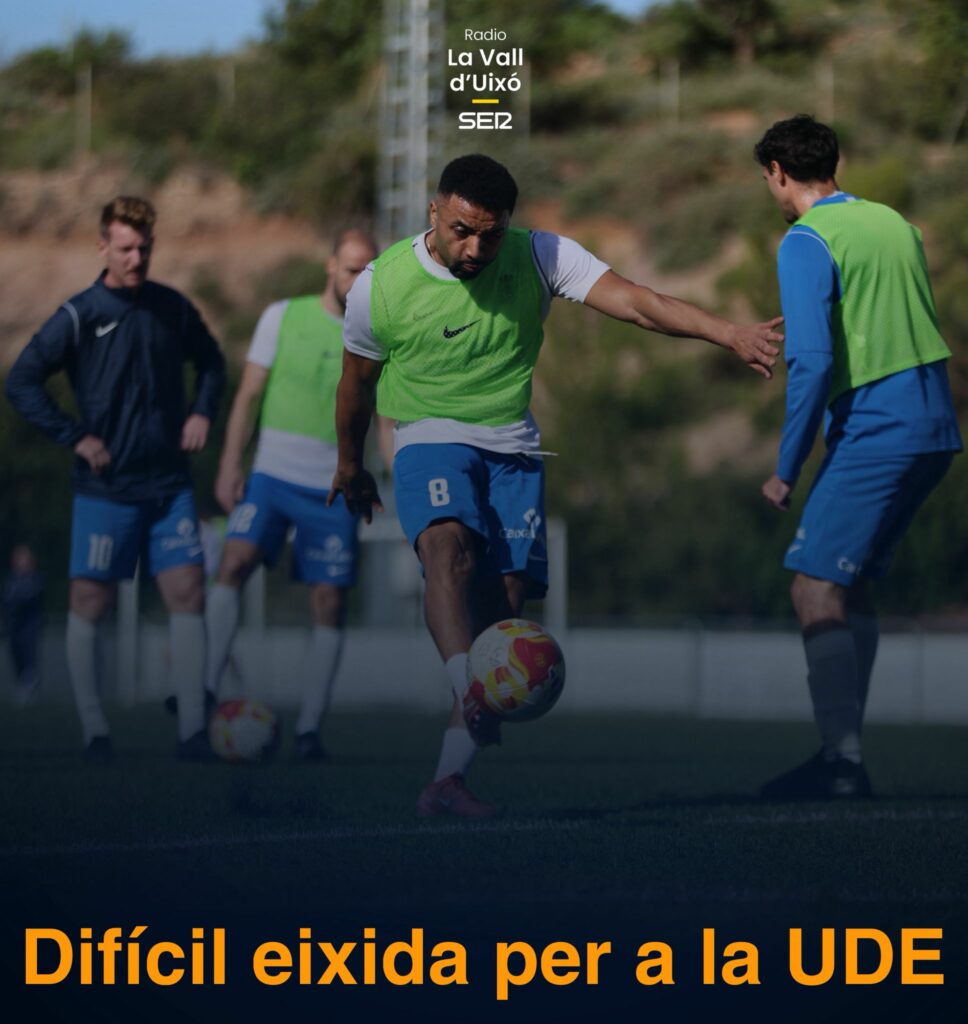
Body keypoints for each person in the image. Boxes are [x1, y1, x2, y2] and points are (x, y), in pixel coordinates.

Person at [331, 153, 783, 817]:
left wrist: (728, 333)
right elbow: (356, 385)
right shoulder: (381, 285)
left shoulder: (541, 255)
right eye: (461, 230)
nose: (475, 248)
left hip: (514, 446)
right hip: (427, 435)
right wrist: (349, 464)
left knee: (505, 609)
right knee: (447, 551)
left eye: (490, 235)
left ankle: (447, 780)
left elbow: (637, 302)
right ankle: (467, 685)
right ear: (435, 211)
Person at [753, 115, 962, 799]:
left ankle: (840, 762)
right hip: (935, 426)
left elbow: (811, 361)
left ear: (778, 172)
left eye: (768, 178)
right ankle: (843, 753)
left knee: (813, 587)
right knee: (852, 586)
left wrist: (786, 468)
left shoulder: (806, 240)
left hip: (879, 426)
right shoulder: (895, 222)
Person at [5, 196, 225, 761]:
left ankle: (193, 731)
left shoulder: (172, 308)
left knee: (188, 593)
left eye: (144, 248)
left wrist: (201, 411)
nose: (136, 258)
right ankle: (95, 730)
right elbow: (22, 380)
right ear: (102, 246)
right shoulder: (79, 314)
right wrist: (75, 436)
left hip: (169, 486)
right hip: (104, 489)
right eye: (125, 248)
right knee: (89, 602)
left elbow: (212, 362)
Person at [206, 229, 378, 760]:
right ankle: (205, 686)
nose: (358, 280)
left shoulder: (377, 331)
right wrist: (230, 462)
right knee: (234, 562)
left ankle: (308, 729)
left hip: (333, 483)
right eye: (351, 269)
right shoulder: (282, 315)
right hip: (272, 473)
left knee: (329, 601)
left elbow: (387, 417)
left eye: (367, 271)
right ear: (330, 266)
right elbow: (248, 395)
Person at [2, 545, 45, 705]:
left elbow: (24, 600)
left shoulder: (34, 579)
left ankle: (30, 685)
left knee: (29, 657)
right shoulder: (12, 581)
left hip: (28, 628)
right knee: (16, 656)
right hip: (14, 628)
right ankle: (23, 685)